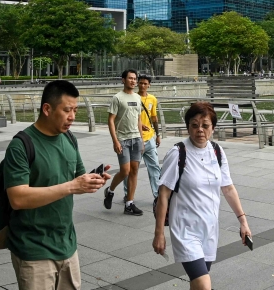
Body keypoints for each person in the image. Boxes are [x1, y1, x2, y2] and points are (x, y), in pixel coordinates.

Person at [5, 80, 110, 290]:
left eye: (75, 110)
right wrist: (72, 186)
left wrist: (90, 180)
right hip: (33, 247)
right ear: (47, 109)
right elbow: (17, 198)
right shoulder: (21, 145)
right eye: (67, 110)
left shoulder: (69, 138)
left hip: (67, 244)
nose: (72, 116)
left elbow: (77, 177)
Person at [153, 102, 251, 290]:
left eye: (205, 125)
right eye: (194, 125)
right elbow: (164, 194)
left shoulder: (217, 152)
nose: (200, 130)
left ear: (213, 128)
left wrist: (243, 221)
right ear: (188, 127)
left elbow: (228, 188)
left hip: (209, 229)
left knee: (198, 283)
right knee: (204, 284)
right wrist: (159, 233)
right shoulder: (178, 153)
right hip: (185, 230)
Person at [104, 70, 144, 215]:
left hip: (136, 139)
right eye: (130, 78)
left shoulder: (138, 98)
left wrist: (142, 139)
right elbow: (111, 120)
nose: (133, 81)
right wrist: (115, 141)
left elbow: (139, 119)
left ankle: (129, 204)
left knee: (134, 171)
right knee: (125, 171)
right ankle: (110, 190)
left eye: (135, 79)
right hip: (123, 139)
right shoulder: (117, 98)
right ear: (123, 80)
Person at [137, 75, 162, 204]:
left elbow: (154, 118)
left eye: (145, 83)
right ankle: (127, 193)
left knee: (155, 167)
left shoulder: (152, 99)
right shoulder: (133, 98)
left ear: (149, 85)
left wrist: (158, 134)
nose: (142, 86)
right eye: (140, 83)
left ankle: (157, 195)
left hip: (150, 138)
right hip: (136, 139)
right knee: (132, 169)